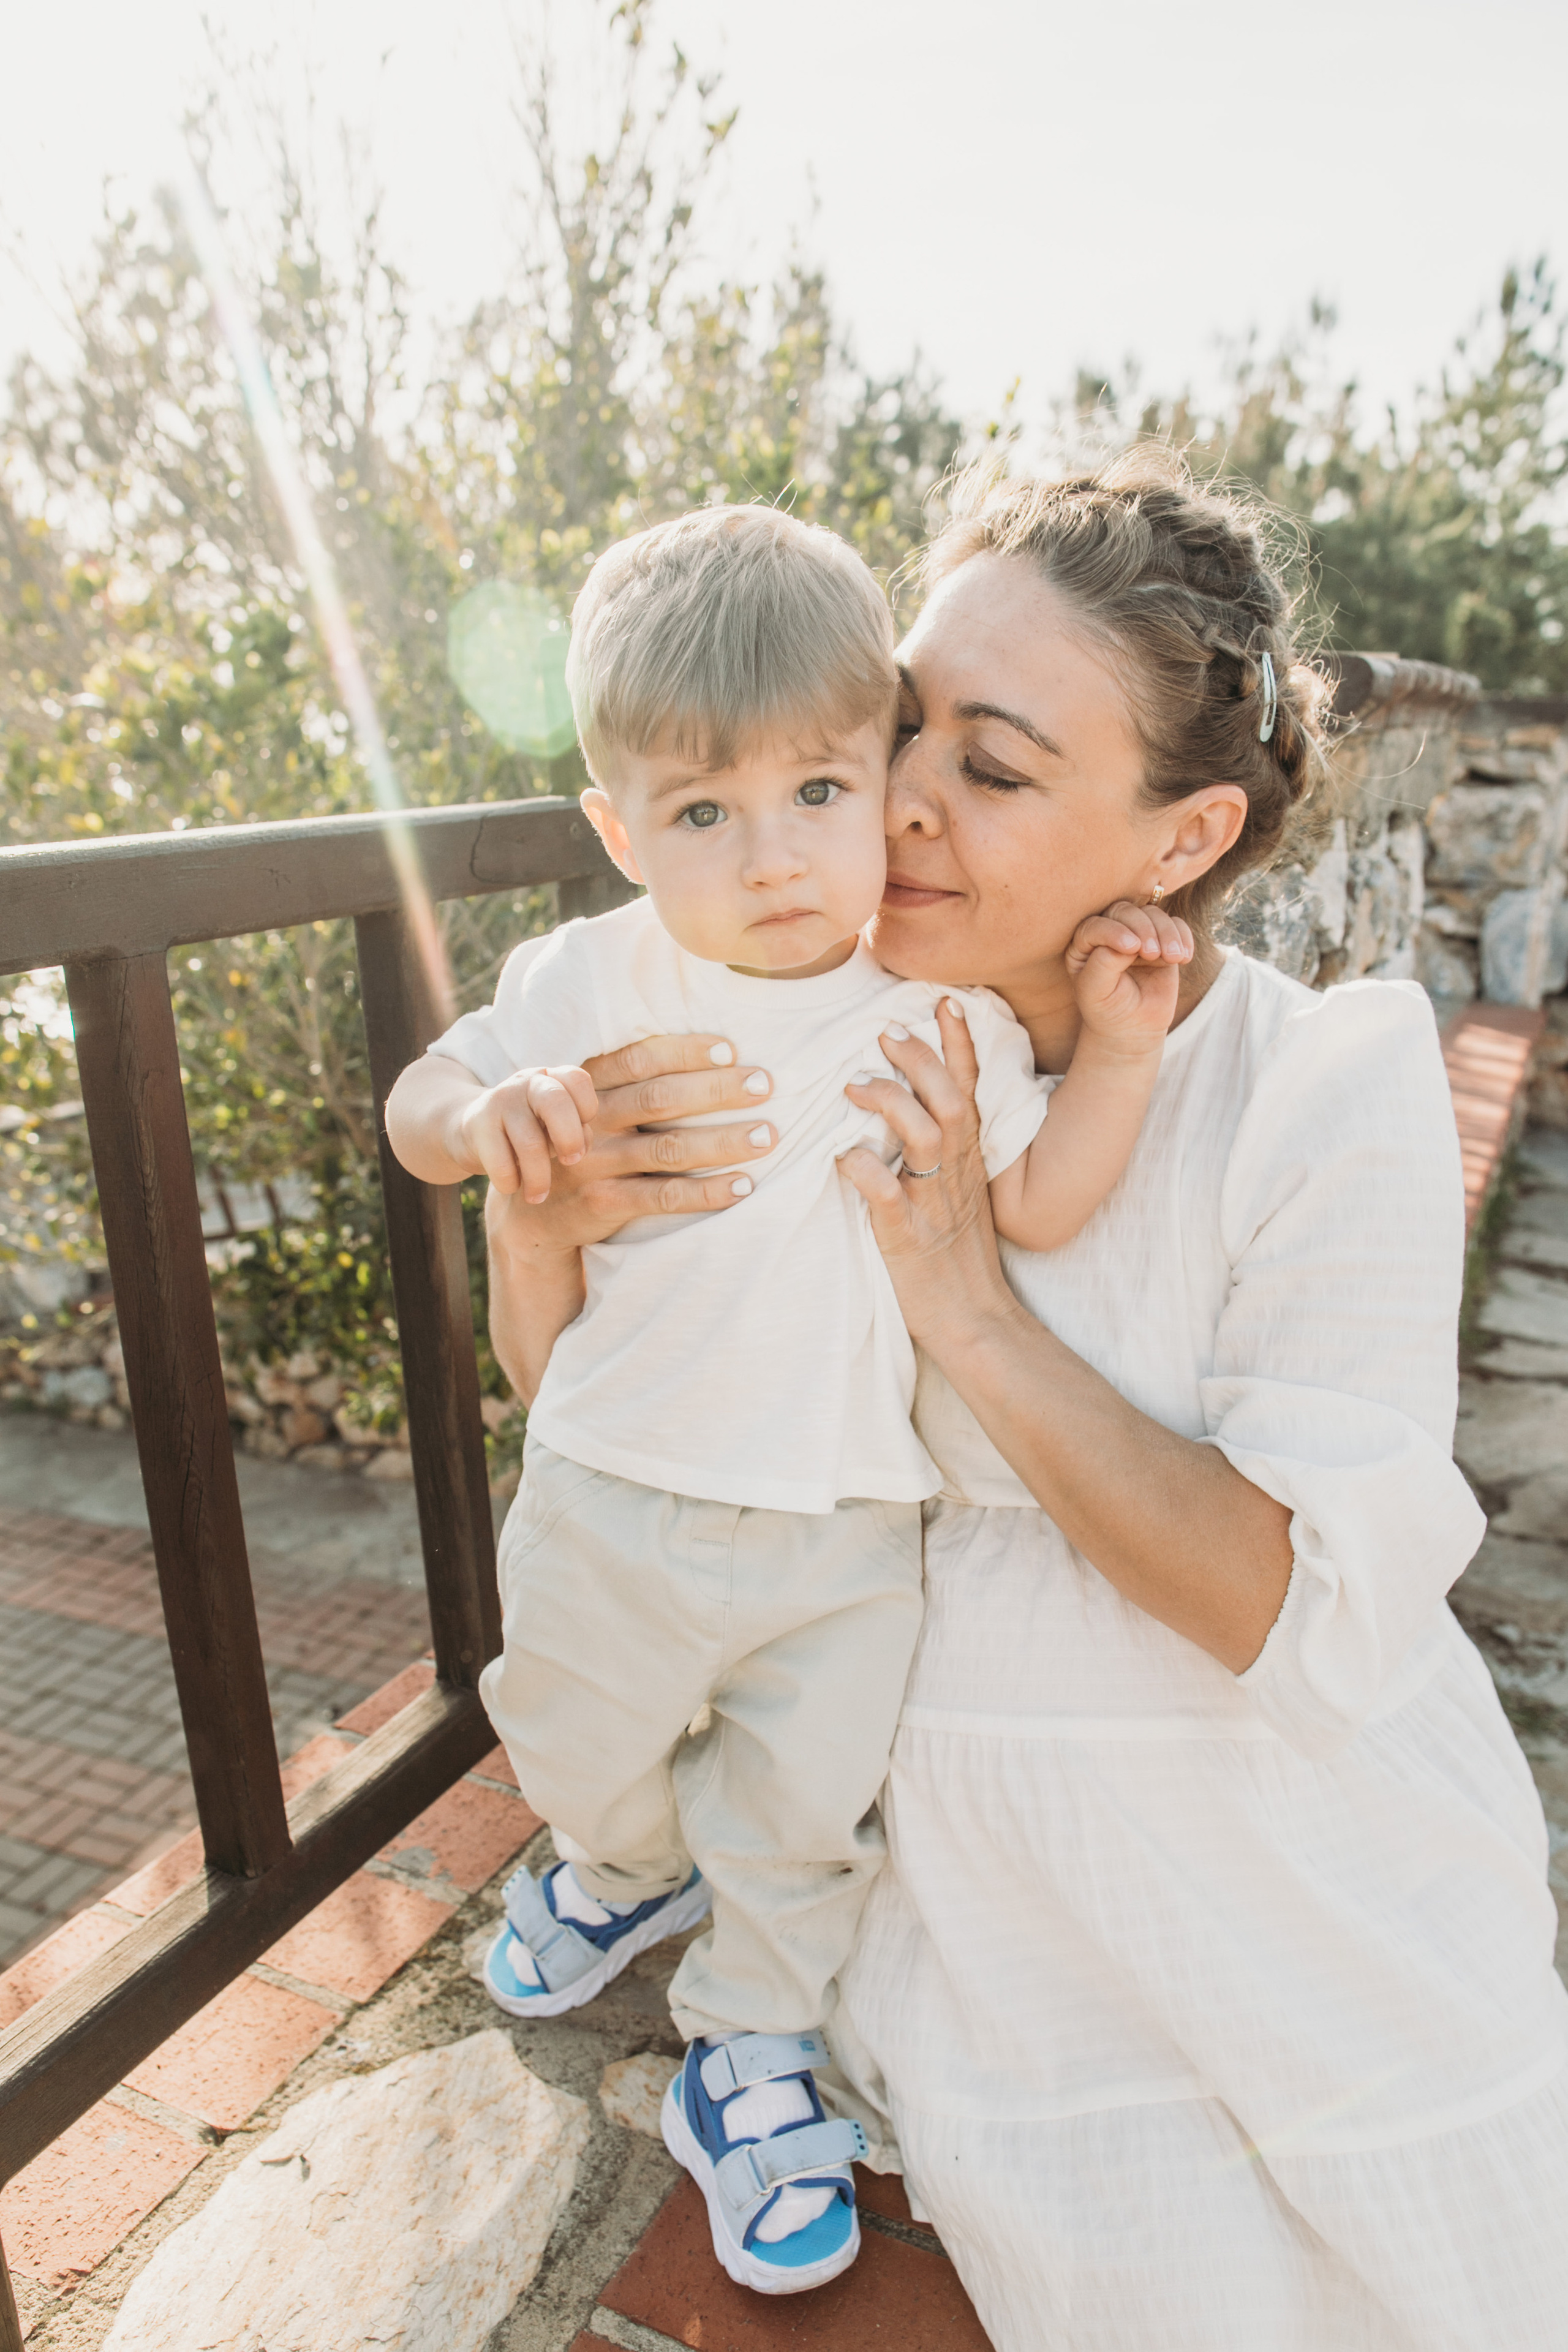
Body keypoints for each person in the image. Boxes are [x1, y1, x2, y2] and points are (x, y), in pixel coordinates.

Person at [477, 452, 1568, 2350]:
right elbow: (596, 1399)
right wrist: (531, 1219)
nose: (893, 800)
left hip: (1295, 1843)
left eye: (989, 768)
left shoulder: (1325, 1084)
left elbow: (1282, 1602)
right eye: (901, 727)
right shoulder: (795, 1040)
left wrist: (969, 1307)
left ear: (1181, 837)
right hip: (953, 1838)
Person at [384, 502, 1189, 2298]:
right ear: (619, 831)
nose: (772, 860)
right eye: (702, 814)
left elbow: (1040, 1206)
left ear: (882, 776)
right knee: (568, 1736)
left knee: (802, 1813)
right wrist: (486, 1124)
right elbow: (419, 1100)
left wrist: (1121, 1058)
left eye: (819, 792)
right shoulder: (593, 978)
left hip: (844, 1523)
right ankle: (618, 1866)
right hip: (610, 1485)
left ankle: (748, 2054)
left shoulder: (942, 1013)